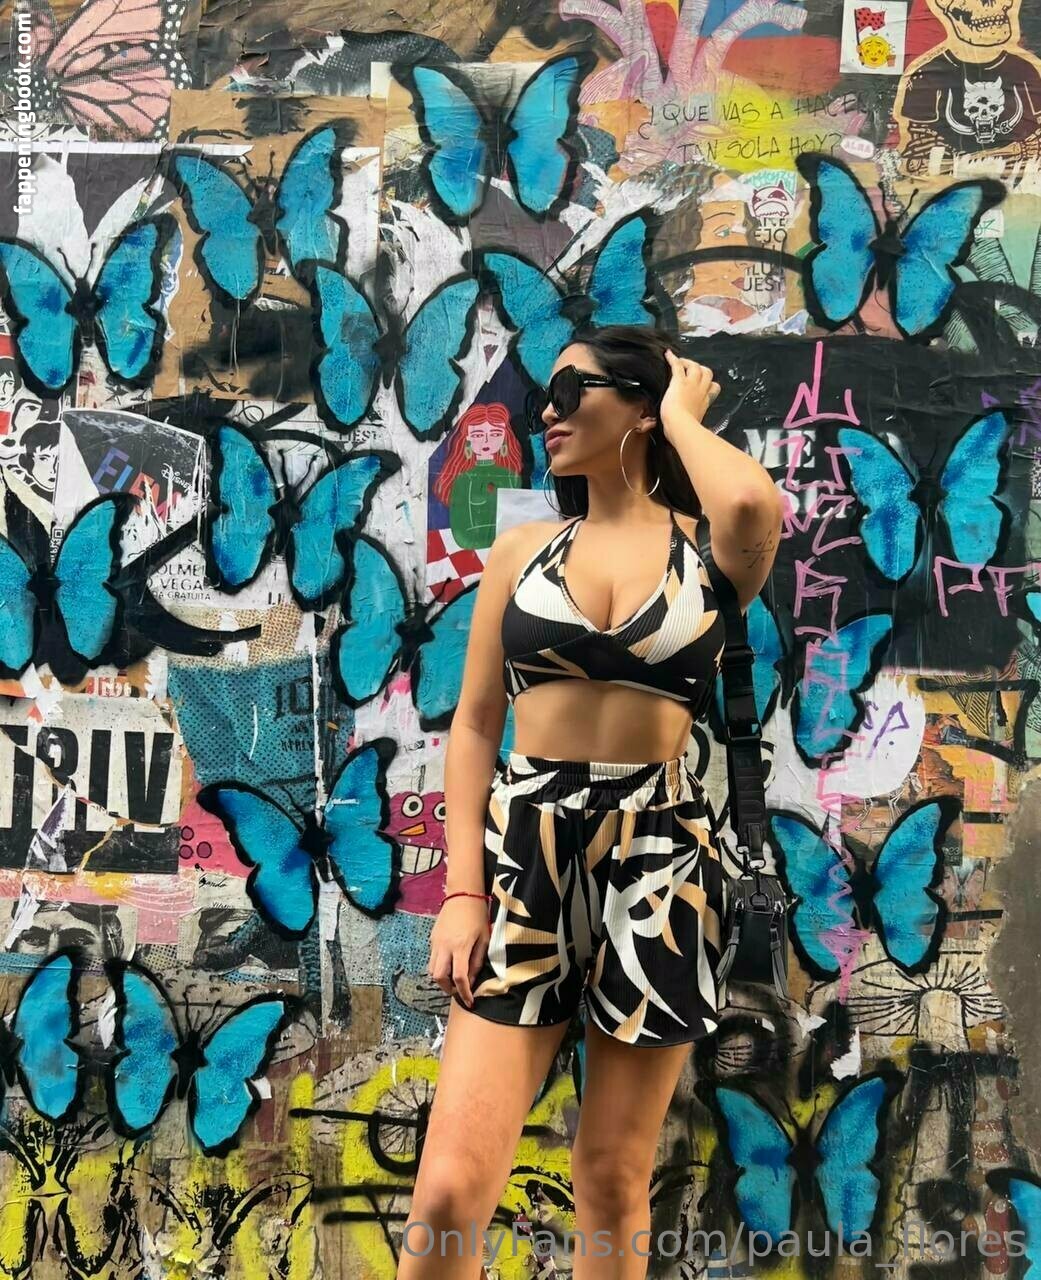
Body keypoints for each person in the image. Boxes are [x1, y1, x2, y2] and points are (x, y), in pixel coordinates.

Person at [398, 325, 783, 1279]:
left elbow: (746, 498)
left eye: (572, 393)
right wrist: (461, 892)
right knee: (447, 1189)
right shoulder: (522, 550)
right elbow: (475, 725)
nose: (548, 413)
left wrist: (681, 413)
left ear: (640, 407)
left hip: (662, 859)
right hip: (525, 853)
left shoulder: (711, 553)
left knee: (610, 1176)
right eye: (548, 396)